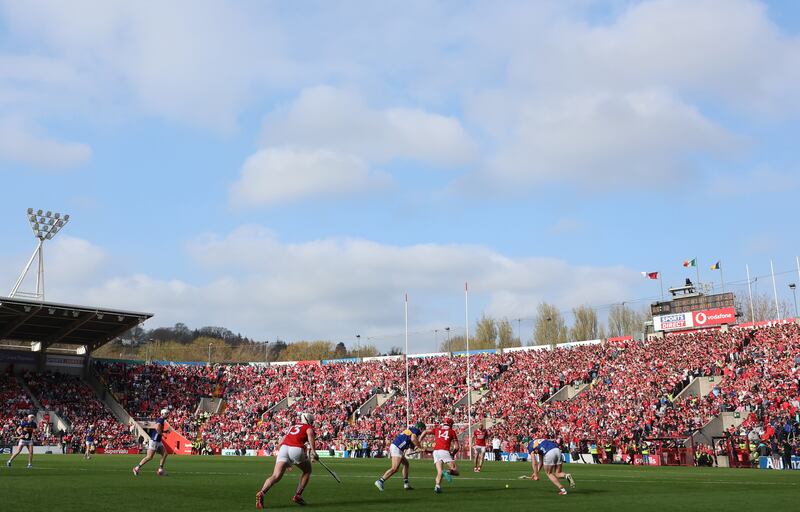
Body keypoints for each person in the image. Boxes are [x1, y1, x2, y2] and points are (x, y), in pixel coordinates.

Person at [255, 412, 319, 509]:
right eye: (312, 421)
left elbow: (286, 436)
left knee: (275, 476)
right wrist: (314, 452)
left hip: (284, 448)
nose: (312, 422)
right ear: (309, 420)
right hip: (296, 449)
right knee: (307, 471)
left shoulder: (293, 426)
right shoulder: (308, 427)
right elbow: (310, 435)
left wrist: (280, 444)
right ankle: (298, 495)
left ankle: (262, 492)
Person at [374, 421, 426, 491]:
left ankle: (406, 484)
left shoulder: (411, 431)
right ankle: (380, 481)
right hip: (397, 447)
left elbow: (412, 446)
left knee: (406, 464)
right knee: (395, 468)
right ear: (420, 428)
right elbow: (413, 439)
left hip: (397, 447)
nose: (423, 431)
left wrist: (417, 449)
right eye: (423, 429)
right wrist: (420, 447)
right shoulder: (415, 430)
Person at [422, 418, 460, 494]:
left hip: (435, 452)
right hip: (444, 451)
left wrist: (420, 441)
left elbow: (425, 431)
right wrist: (453, 454)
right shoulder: (452, 432)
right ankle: (446, 471)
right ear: (450, 424)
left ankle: (437, 486)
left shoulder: (437, 429)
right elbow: (457, 447)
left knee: (439, 471)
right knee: (456, 471)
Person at [133, 408, 170, 476]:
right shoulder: (161, 420)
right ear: (162, 414)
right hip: (154, 440)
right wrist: (163, 435)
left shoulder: (162, 420)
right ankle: (136, 468)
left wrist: (164, 431)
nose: (168, 415)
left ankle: (160, 470)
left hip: (158, 440)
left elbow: (158, 429)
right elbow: (156, 427)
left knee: (165, 454)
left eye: (168, 413)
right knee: (149, 457)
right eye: (166, 414)